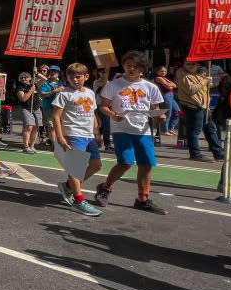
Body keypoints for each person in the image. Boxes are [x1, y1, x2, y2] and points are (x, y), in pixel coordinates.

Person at [93, 51, 167, 214]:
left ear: (142, 69)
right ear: (124, 66)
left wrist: (160, 116)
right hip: (121, 129)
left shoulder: (151, 87)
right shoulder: (114, 85)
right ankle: (105, 188)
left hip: (143, 130)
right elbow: (103, 106)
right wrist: (113, 114)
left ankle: (143, 199)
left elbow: (155, 109)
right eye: (128, 65)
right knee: (126, 162)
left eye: (136, 66)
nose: (131, 69)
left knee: (146, 164)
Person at [51, 63, 103, 216]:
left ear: (86, 77)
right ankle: (79, 201)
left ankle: (68, 186)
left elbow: (93, 114)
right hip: (73, 134)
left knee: (96, 165)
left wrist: (97, 133)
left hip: (89, 135)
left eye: (78, 76)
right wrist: (60, 136)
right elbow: (56, 116)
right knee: (75, 168)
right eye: (71, 77)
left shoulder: (90, 93)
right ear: (66, 78)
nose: (75, 79)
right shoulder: (64, 94)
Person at [176, 59, 224, 162]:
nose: (190, 66)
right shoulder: (182, 74)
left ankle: (218, 152)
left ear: (197, 64)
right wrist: (205, 81)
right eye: (187, 63)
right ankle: (195, 153)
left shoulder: (197, 74)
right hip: (192, 106)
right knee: (195, 130)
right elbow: (191, 90)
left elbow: (203, 89)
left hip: (203, 106)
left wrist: (208, 82)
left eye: (193, 64)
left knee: (211, 129)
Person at [39, 65, 64, 146]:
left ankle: (58, 141)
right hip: (49, 107)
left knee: (60, 125)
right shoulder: (45, 82)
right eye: (52, 71)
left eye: (55, 71)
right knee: (52, 126)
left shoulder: (62, 82)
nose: (53, 73)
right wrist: (54, 91)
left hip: (60, 108)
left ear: (59, 73)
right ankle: (54, 144)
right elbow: (42, 94)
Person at [153, 65, 180, 136]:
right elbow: (168, 87)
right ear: (157, 72)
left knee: (177, 111)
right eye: (161, 71)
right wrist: (171, 85)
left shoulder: (165, 78)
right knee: (168, 113)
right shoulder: (158, 78)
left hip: (171, 96)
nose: (163, 72)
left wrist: (172, 85)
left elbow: (175, 85)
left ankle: (170, 128)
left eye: (165, 71)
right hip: (165, 96)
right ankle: (164, 130)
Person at [16, 72, 40, 154]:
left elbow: (45, 79)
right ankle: (26, 146)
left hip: (36, 108)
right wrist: (30, 91)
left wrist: (37, 73)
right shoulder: (20, 88)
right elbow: (23, 99)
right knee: (29, 127)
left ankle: (32, 146)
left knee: (36, 127)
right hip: (26, 108)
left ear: (30, 78)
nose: (23, 79)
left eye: (25, 77)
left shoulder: (34, 85)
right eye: (22, 78)